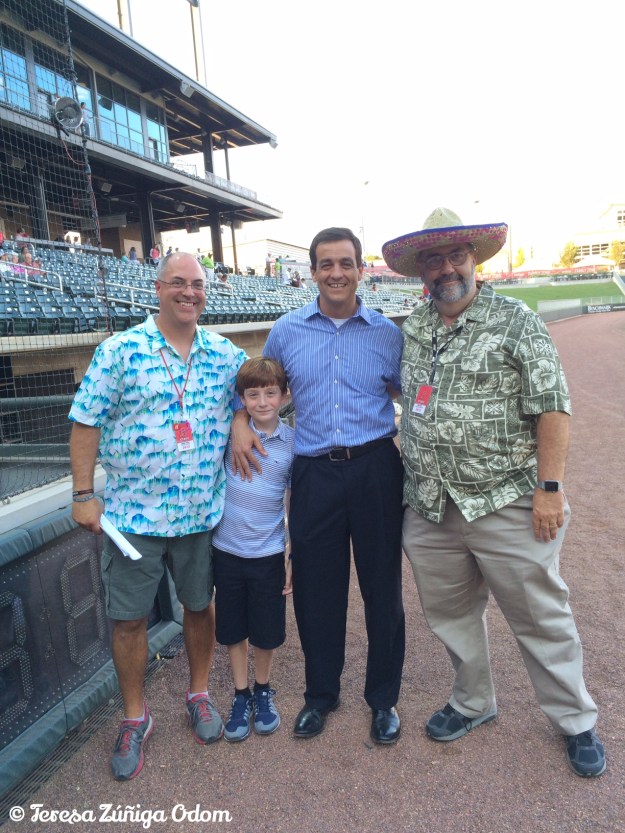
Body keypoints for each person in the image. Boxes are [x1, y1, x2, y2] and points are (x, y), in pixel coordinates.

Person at [382, 207, 606, 778]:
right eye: (432, 260)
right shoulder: (412, 328)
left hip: (505, 499)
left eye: (455, 255)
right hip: (431, 505)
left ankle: (576, 718)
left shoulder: (515, 321)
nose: (445, 268)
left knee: (539, 613)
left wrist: (550, 489)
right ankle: (473, 701)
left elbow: (552, 405)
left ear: (475, 260)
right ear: (421, 272)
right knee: (452, 615)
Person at [69, 252, 246, 781]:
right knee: (128, 619)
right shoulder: (119, 350)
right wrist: (83, 493)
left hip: (198, 514)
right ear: (157, 288)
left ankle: (197, 692)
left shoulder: (223, 352)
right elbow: (85, 421)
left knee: (199, 607)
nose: (188, 293)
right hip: (131, 521)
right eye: (178, 283)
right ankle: (134, 715)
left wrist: (239, 418)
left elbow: (255, 391)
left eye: (197, 285)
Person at [232, 227, 405, 745]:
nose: (336, 273)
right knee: (316, 592)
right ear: (312, 272)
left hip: (375, 465)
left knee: (383, 589)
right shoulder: (286, 331)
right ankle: (320, 696)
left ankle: (383, 700)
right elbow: (257, 389)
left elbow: (409, 392)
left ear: (360, 269)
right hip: (313, 474)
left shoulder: (385, 333)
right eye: (326, 264)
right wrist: (241, 420)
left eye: (346, 263)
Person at [213, 357, 295, 742]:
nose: (262, 401)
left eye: (270, 393)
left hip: (267, 552)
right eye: (253, 394)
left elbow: (292, 501)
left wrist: (291, 552)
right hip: (227, 550)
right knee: (233, 627)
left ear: (284, 395)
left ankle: (263, 689)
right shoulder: (227, 435)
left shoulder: (293, 444)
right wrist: (236, 423)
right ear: (241, 399)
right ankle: (240, 693)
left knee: (266, 629)